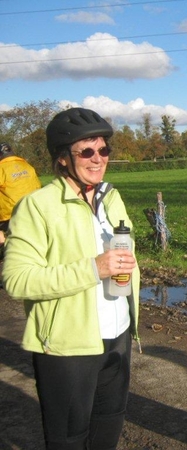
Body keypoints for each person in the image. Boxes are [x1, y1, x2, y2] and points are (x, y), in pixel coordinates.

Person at [2, 107, 140, 450]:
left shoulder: (111, 196)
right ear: (63, 158)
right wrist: (94, 268)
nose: (98, 159)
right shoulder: (37, 207)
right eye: (87, 151)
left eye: (104, 150)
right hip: (67, 348)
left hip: (118, 335)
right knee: (68, 441)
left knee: (107, 433)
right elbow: (17, 280)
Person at [0, 142, 41, 246]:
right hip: (31, 209)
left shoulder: (1, 168)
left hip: (8, 215)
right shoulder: (27, 166)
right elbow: (38, 187)